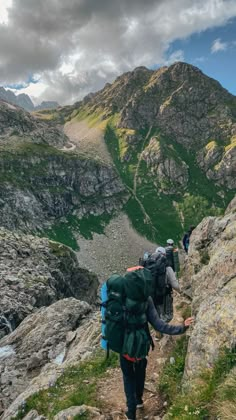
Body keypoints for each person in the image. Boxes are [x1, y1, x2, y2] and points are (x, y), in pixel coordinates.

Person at [120, 288, 194, 420]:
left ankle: (131, 412)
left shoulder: (120, 297)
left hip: (125, 347)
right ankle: (139, 400)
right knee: (140, 371)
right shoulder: (146, 299)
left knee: (128, 377)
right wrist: (182, 327)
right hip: (141, 347)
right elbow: (159, 325)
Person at [154, 247, 180, 323]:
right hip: (165, 294)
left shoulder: (150, 265)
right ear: (165, 255)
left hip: (152, 295)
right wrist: (180, 291)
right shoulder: (167, 267)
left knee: (158, 314)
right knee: (168, 315)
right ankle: (167, 329)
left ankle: (159, 331)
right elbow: (175, 285)